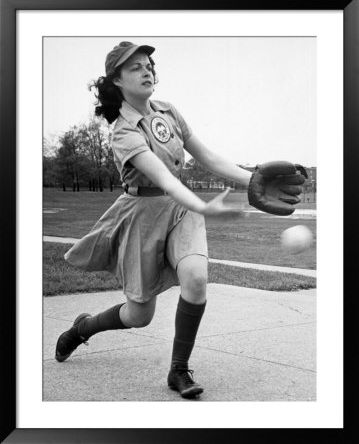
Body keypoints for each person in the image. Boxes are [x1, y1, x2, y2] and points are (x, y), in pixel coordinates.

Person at [55, 41, 306, 400]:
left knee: (196, 278)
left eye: (148, 65)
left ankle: (178, 369)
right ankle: (83, 328)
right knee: (138, 316)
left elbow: (206, 157)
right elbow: (165, 179)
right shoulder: (123, 132)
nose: (146, 71)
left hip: (180, 211)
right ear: (117, 81)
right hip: (141, 216)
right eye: (135, 67)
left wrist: (251, 178)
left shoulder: (168, 111)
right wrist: (206, 206)